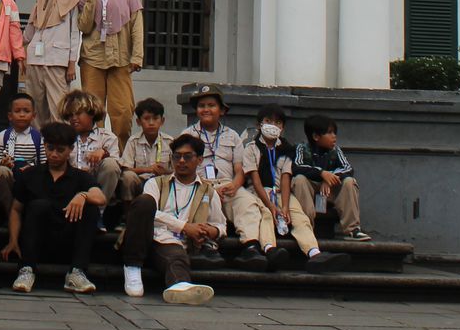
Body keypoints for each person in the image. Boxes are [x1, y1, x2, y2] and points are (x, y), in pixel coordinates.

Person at [3, 119, 107, 295]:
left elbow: (101, 197)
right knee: (38, 206)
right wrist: (13, 240)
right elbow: (16, 209)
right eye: (50, 148)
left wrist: (83, 195)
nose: (54, 154)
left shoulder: (81, 177)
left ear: (70, 149)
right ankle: (26, 269)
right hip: (38, 239)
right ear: (44, 146)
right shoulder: (30, 175)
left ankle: (77, 272)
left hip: (69, 238)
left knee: (90, 208)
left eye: (60, 150)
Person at [119, 132, 225, 304]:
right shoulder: (156, 183)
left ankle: (180, 286)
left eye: (187, 157)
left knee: (176, 256)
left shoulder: (208, 191)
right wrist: (184, 226)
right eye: (176, 156)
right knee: (144, 202)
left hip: (177, 243)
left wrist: (212, 231)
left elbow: (220, 224)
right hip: (148, 236)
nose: (181, 161)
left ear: (199, 160)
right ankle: (132, 267)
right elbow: (150, 213)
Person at [234, 106, 333, 265]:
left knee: (299, 217)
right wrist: (271, 205)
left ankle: (314, 252)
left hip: (281, 192)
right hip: (259, 193)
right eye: (268, 121)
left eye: (278, 122)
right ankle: (269, 248)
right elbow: (255, 179)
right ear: (259, 124)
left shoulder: (286, 149)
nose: (273, 125)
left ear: (283, 128)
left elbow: (286, 177)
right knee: (266, 215)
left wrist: (285, 206)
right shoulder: (251, 148)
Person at [77, 0, 143, 148]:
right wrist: (90, 0)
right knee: (92, 109)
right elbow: (84, 27)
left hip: (121, 58)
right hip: (92, 58)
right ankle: (94, 151)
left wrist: (137, 56)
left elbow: (137, 25)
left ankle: (120, 153)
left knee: (123, 111)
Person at [292, 114, 369, 239]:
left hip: (329, 193)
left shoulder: (335, 151)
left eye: (334, 132)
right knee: (299, 180)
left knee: (349, 181)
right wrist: (322, 174)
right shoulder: (301, 148)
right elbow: (297, 167)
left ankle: (352, 230)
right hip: (310, 192)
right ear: (316, 136)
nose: (334, 136)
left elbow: (348, 168)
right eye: (329, 133)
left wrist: (329, 179)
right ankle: (305, 228)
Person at [21, 0, 79, 123]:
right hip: (34, 59)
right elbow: (28, 34)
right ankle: (38, 138)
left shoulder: (71, 1)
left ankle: (59, 137)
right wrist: (18, 51)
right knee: (35, 107)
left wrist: (72, 63)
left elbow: (74, 34)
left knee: (58, 106)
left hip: (57, 60)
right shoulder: (38, 2)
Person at [190, 87, 248, 238]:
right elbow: (183, 170)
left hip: (228, 185)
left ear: (221, 110)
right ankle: (205, 242)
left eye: (211, 105)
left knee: (246, 203)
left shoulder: (233, 136)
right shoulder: (188, 135)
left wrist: (234, 185)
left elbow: (240, 169)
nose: (206, 109)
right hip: (199, 186)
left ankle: (250, 243)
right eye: (201, 106)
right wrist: (208, 188)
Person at [0, 90, 45, 223]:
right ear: (10, 116)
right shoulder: (2, 136)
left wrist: (32, 168)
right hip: (11, 178)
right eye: (17, 111)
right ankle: (11, 216)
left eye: (26, 111)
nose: (22, 115)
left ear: (34, 115)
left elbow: (44, 164)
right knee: (0, 171)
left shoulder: (38, 138)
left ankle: (24, 216)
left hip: (30, 178)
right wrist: (3, 163)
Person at [63, 91, 122, 203]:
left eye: (78, 113)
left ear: (92, 113)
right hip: (70, 182)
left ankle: (98, 208)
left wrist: (104, 153)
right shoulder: (64, 137)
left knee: (110, 164)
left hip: (97, 185)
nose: (74, 118)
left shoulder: (107, 137)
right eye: (70, 115)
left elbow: (116, 168)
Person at [118, 97, 173, 205]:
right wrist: (147, 169)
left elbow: (176, 170)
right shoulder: (133, 141)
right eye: (146, 119)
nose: (151, 123)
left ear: (162, 121)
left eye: (155, 118)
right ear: (138, 122)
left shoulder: (170, 141)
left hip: (162, 181)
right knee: (128, 177)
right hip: (140, 182)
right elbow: (126, 169)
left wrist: (165, 171)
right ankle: (129, 211)